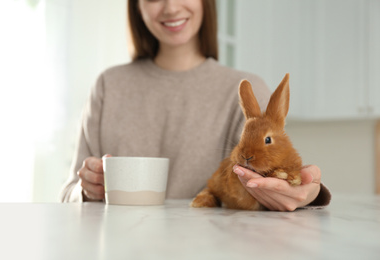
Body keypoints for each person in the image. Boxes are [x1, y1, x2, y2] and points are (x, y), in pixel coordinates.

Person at [60, 0, 331, 211]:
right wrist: (86, 189)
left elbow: (278, 182)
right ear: (136, 5)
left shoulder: (246, 88)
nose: (171, 7)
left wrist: (306, 194)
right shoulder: (109, 85)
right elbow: (68, 193)